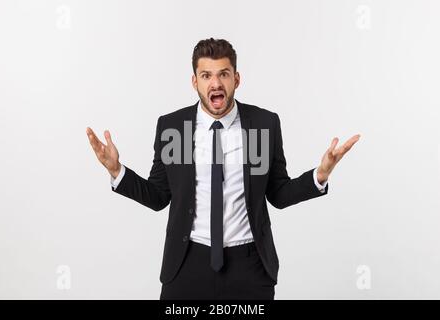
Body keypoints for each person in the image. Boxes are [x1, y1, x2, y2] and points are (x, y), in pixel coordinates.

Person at [86, 38, 360, 300]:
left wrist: (320, 175)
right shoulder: (174, 128)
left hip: (250, 267)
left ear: (236, 79)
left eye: (223, 74)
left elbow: (278, 193)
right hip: (186, 264)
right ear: (195, 81)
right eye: (206, 75)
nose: (215, 83)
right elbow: (159, 196)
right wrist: (117, 170)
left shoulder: (262, 125)